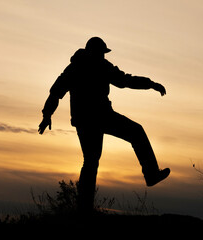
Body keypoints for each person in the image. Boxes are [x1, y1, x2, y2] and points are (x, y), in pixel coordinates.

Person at [38, 37, 170, 213]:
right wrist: (47, 115)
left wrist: (150, 84)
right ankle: (150, 175)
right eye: (101, 53)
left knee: (92, 160)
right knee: (129, 136)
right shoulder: (84, 67)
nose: (103, 56)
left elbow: (125, 80)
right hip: (98, 117)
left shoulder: (84, 67)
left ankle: (85, 207)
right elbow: (56, 92)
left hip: (89, 119)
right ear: (95, 52)